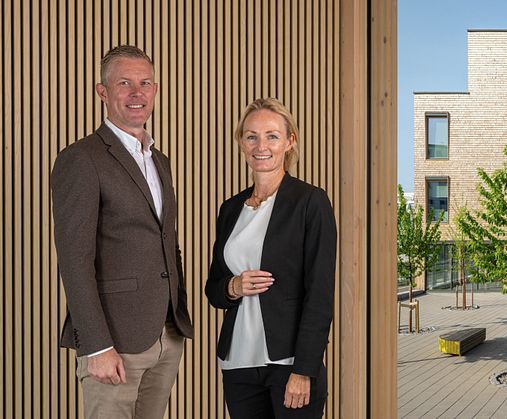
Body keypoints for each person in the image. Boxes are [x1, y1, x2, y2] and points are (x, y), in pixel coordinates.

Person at [51, 45, 193, 419]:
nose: (137, 93)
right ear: (103, 92)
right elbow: (74, 258)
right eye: (125, 83)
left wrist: (176, 316)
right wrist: (96, 346)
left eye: (145, 83)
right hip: (114, 342)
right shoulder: (81, 159)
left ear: (155, 89)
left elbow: (166, 241)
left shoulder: (158, 159)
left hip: (166, 335)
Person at [205, 97, 337, 418]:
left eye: (271, 136)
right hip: (238, 364)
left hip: (290, 363)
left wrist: (304, 369)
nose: (260, 145)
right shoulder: (230, 209)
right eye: (251, 136)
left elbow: (319, 293)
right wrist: (233, 286)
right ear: (241, 143)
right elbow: (214, 289)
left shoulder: (310, 202)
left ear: (289, 141)